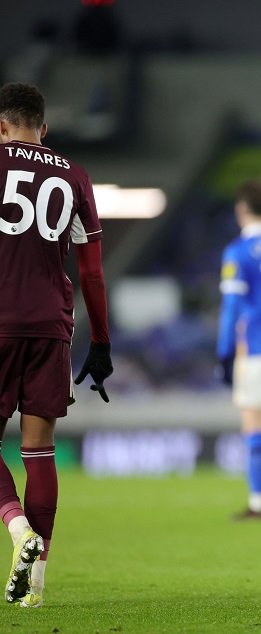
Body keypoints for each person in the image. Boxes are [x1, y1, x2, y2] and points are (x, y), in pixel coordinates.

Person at [0, 82, 112, 608]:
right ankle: (36, 588)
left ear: (2, 126)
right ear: (43, 128)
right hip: (52, 324)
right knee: (39, 451)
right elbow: (91, 271)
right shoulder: (74, 175)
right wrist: (101, 342)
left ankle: (17, 527)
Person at [216, 180, 261, 520]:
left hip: (256, 346)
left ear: (241, 210)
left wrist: (224, 353)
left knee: (256, 428)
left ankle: (258, 503)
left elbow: (231, 308)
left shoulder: (238, 251)